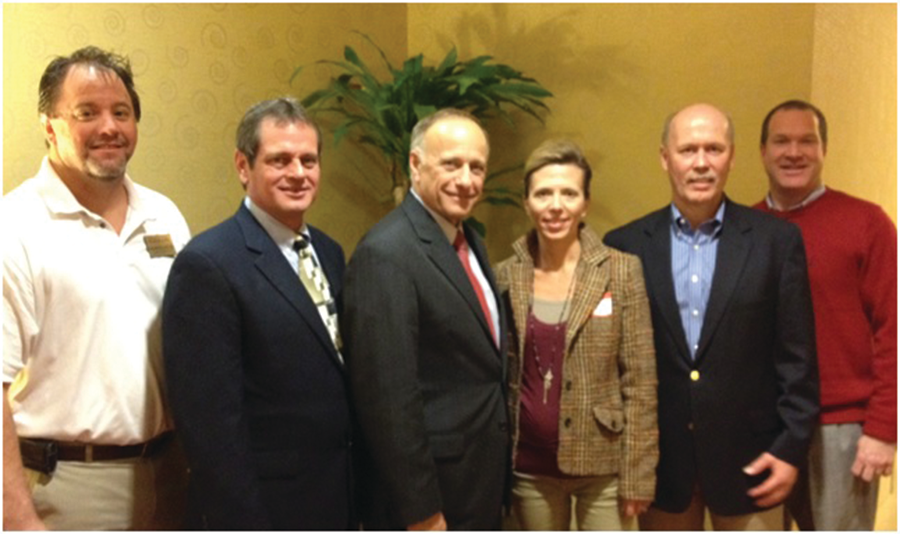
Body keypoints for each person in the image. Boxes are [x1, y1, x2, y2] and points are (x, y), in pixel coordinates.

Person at [603, 103, 819, 530]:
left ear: (732, 157)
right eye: (688, 150)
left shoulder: (775, 242)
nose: (701, 163)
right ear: (665, 158)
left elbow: (798, 360)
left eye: (714, 149)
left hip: (754, 464)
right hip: (661, 468)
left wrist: (790, 449)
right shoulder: (625, 246)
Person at [2, 46, 190, 530]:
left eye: (121, 112)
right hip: (68, 486)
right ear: (50, 126)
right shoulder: (16, 226)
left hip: (170, 474)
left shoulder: (163, 214)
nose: (109, 127)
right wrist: (19, 517)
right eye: (87, 113)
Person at [162, 98, 353, 530]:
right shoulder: (208, 264)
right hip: (264, 508)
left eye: (309, 160)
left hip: (333, 497)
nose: (298, 173)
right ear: (243, 166)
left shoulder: (329, 251)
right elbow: (210, 427)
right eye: (279, 160)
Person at [342, 109, 507, 530]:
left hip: (477, 480)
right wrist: (420, 509)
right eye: (451, 163)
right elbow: (387, 398)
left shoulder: (469, 240)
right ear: (415, 164)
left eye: (477, 167)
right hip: (432, 496)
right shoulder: (387, 253)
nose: (466, 180)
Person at [493, 139, 658, 530]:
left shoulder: (620, 271)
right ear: (527, 202)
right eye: (543, 193)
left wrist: (638, 475)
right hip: (529, 468)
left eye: (568, 193)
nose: (555, 205)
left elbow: (641, 381)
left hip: (602, 466)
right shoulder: (504, 274)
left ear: (585, 203)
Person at [754, 99, 896, 531]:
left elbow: (894, 328)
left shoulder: (865, 222)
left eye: (806, 141)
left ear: (824, 150)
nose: (793, 152)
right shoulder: (745, 230)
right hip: (764, 423)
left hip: (843, 428)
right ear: (763, 151)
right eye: (781, 141)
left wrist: (883, 428)